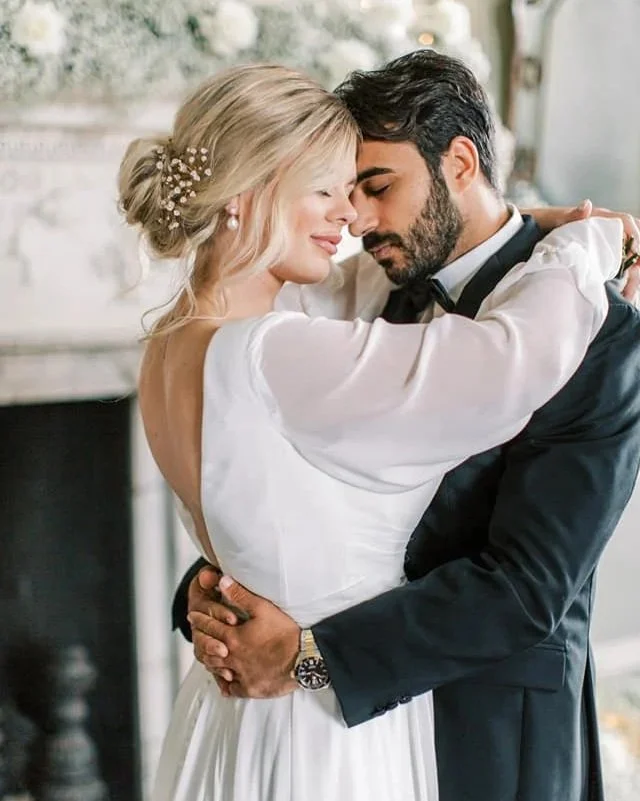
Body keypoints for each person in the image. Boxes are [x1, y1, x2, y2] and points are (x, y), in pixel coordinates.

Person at [175, 52, 640, 801]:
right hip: (338, 743)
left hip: (488, 734)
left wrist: (309, 659)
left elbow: (526, 588)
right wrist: (215, 593)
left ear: (459, 161)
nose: (355, 219)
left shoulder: (599, 332)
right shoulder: (377, 295)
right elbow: (289, 488)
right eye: (342, 190)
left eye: (377, 187)